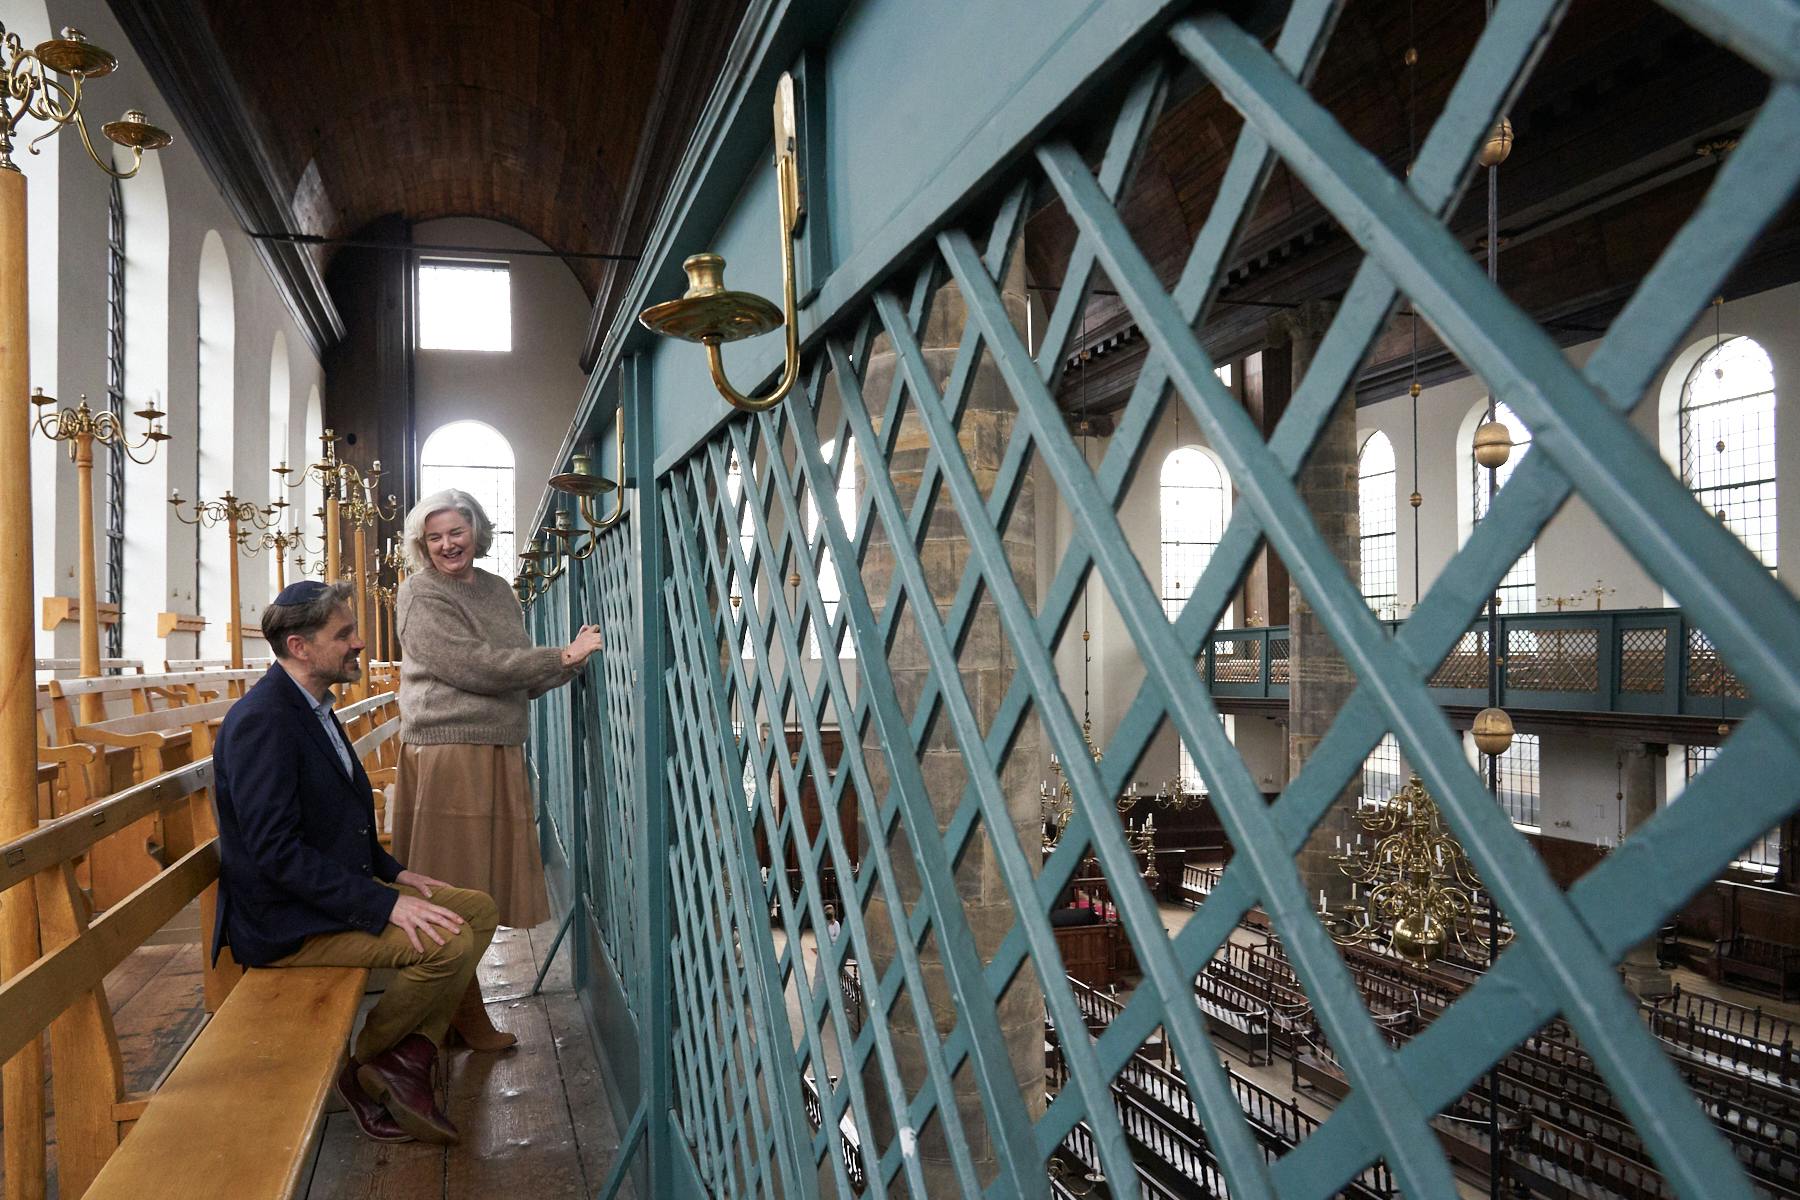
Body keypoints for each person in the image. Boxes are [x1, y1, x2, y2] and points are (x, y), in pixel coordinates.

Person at [213, 580, 498, 1145]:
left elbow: (336, 811)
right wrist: (384, 903)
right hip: (288, 921)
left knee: (479, 910)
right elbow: (276, 852)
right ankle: (365, 1067)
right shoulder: (264, 720)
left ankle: (399, 1059)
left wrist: (392, 872)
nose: (359, 643)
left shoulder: (312, 707)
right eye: (343, 634)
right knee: (448, 944)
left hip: (332, 892)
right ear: (299, 646)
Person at [391, 489, 603, 1050]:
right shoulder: (418, 592)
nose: (446, 545)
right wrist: (561, 657)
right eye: (433, 537)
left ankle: (457, 1006)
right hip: (447, 750)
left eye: (455, 533)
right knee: (452, 887)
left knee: (480, 888)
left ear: (476, 532)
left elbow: (518, 674)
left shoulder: (497, 589)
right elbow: (475, 667)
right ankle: (447, 1013)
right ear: (421, 544)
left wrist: (572, 662)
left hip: (497, 747)